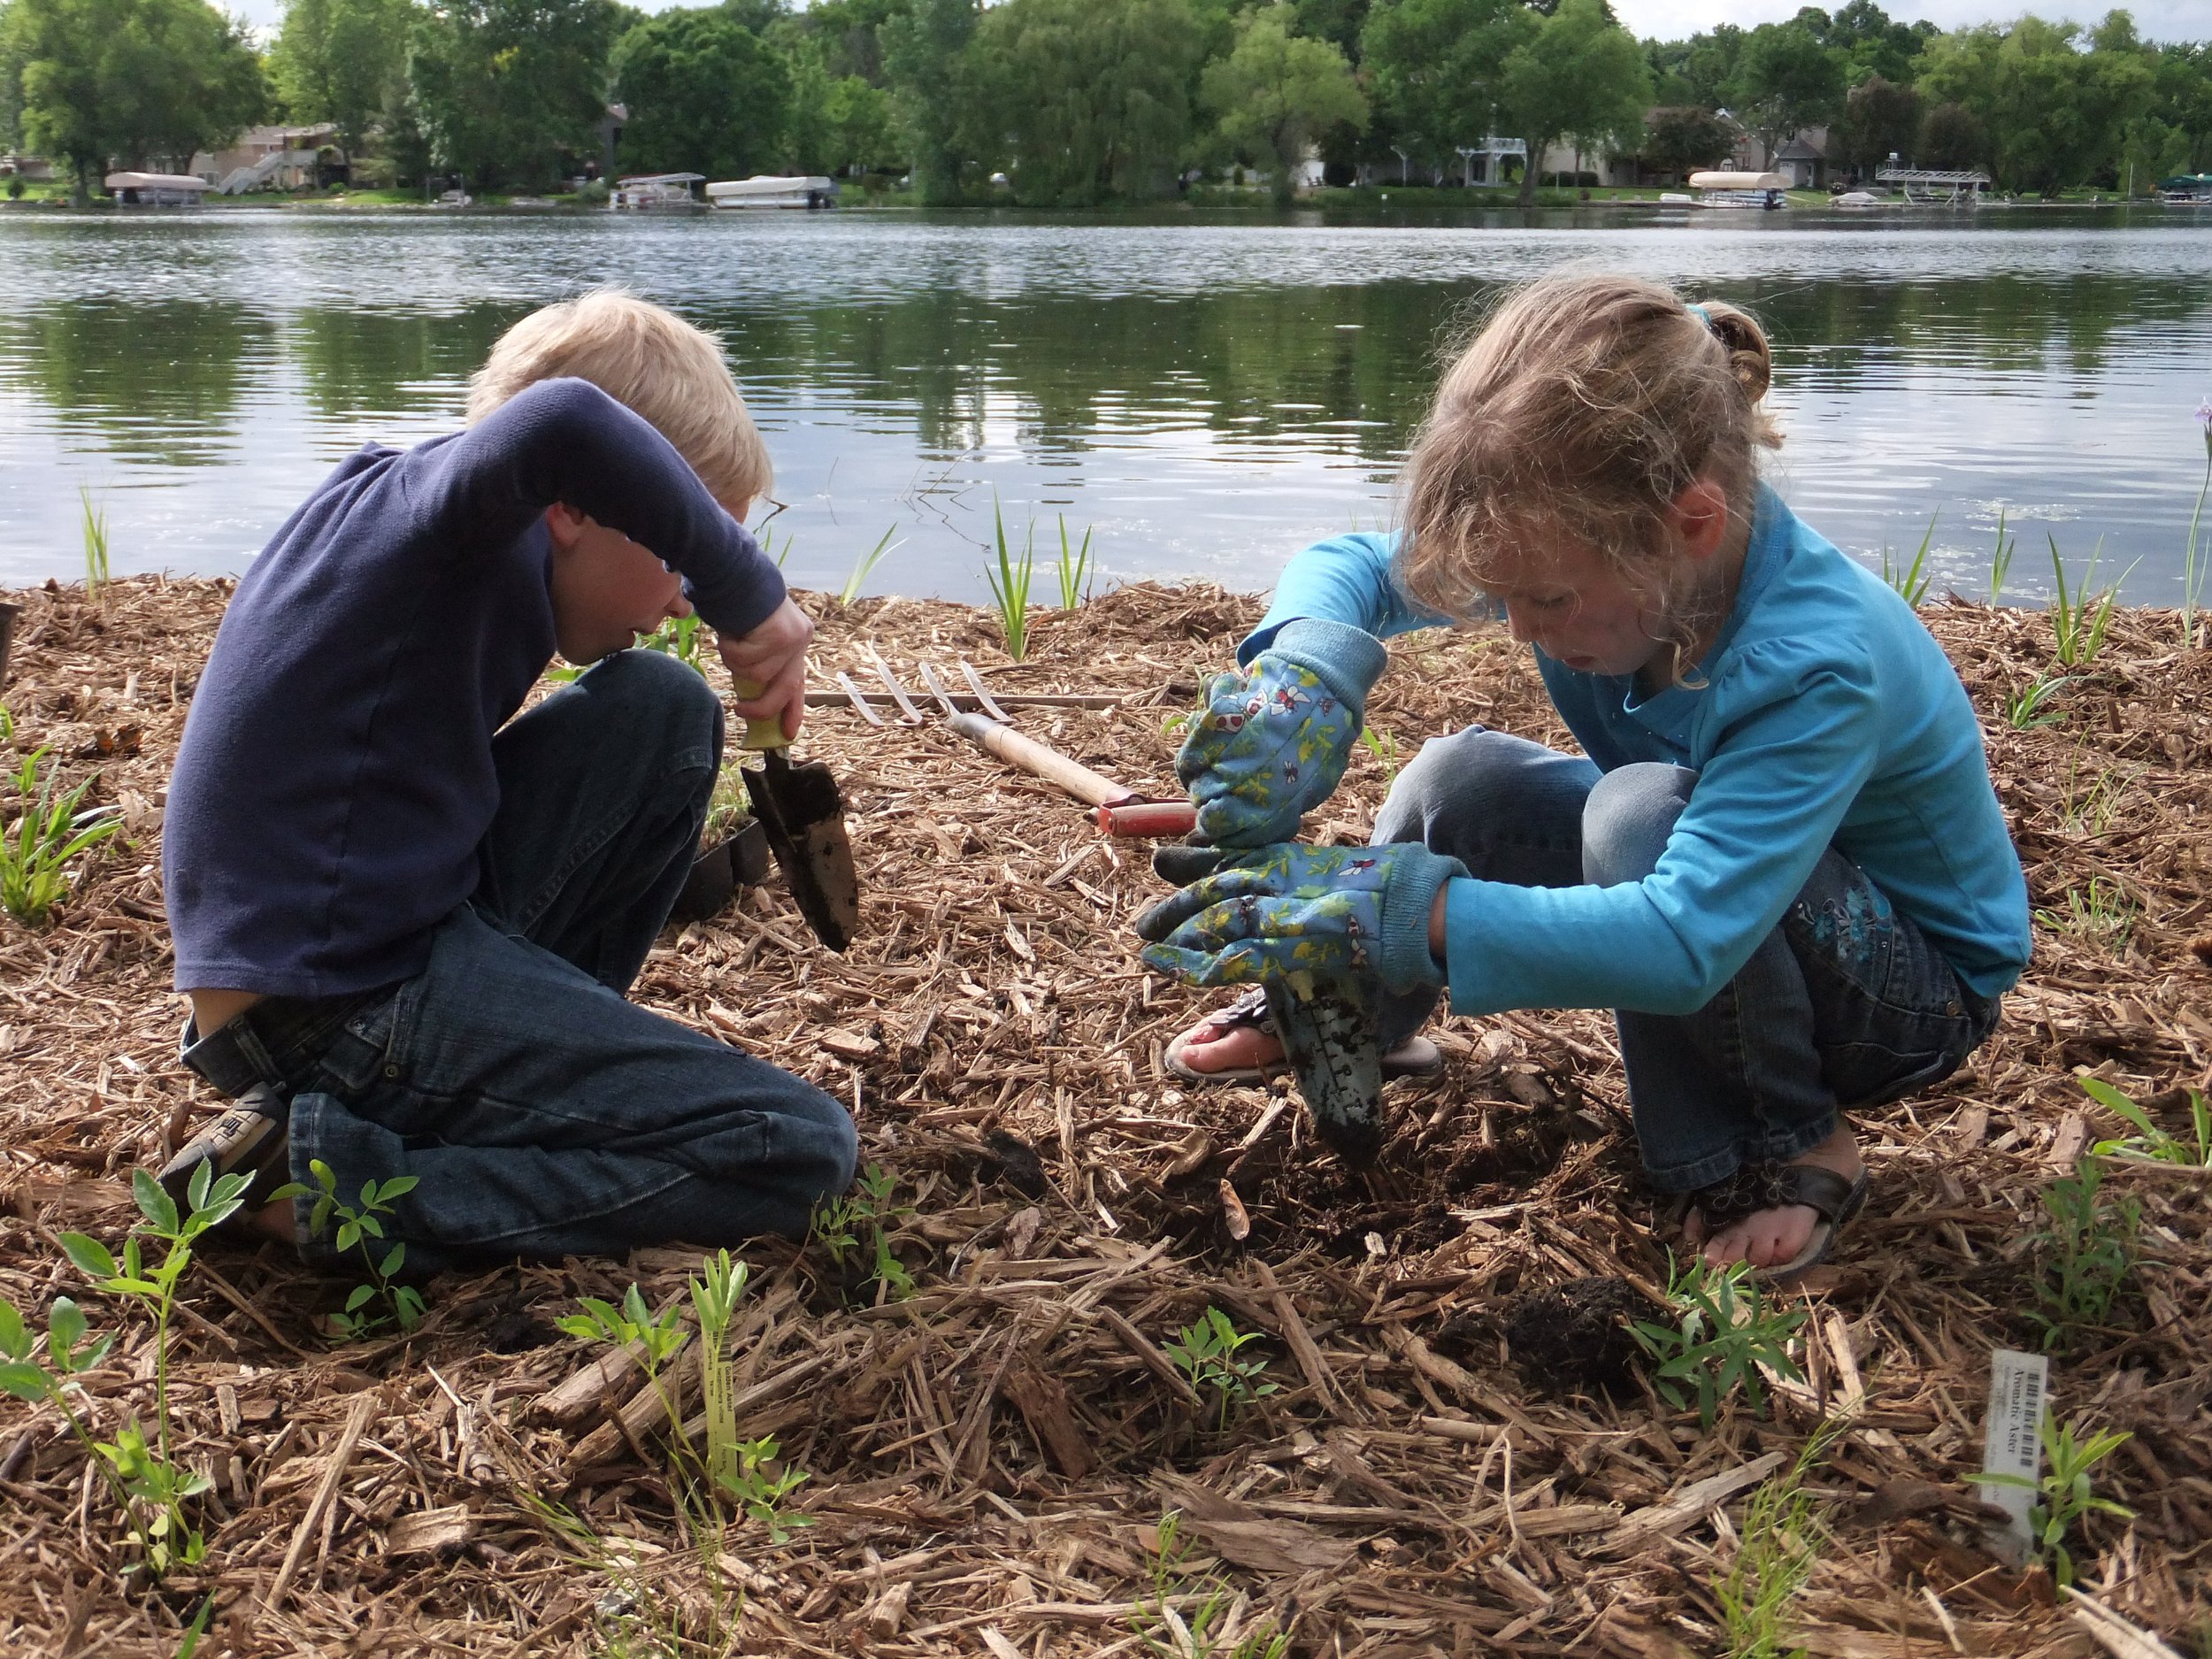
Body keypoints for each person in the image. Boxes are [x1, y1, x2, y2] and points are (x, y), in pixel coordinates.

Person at [1138, 273, 2030, 1279]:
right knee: (1458, 781)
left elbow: (1682, 939)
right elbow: (1351, 565)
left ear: (1687, 524)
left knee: (1638, 813)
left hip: (1901, 992)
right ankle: (1352, 1020)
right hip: (1720, 883)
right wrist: (1307, 672)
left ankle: (1782, 1145)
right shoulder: (1591, 539)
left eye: (1547, 599)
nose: (1516, 627)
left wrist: (1391, 908)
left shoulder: (1814, 661)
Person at [157, 289, 857, 1274]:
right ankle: (322, 1185)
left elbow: (562, 436)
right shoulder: (463, 515)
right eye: (682, 554)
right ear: (572, 502)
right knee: (797, 1151)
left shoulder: (426, 512)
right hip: (331, 1000)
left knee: (664, 709)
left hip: (360, 940)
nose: (681, 604)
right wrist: (751, 591)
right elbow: (565, 420)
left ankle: (512, 1087)